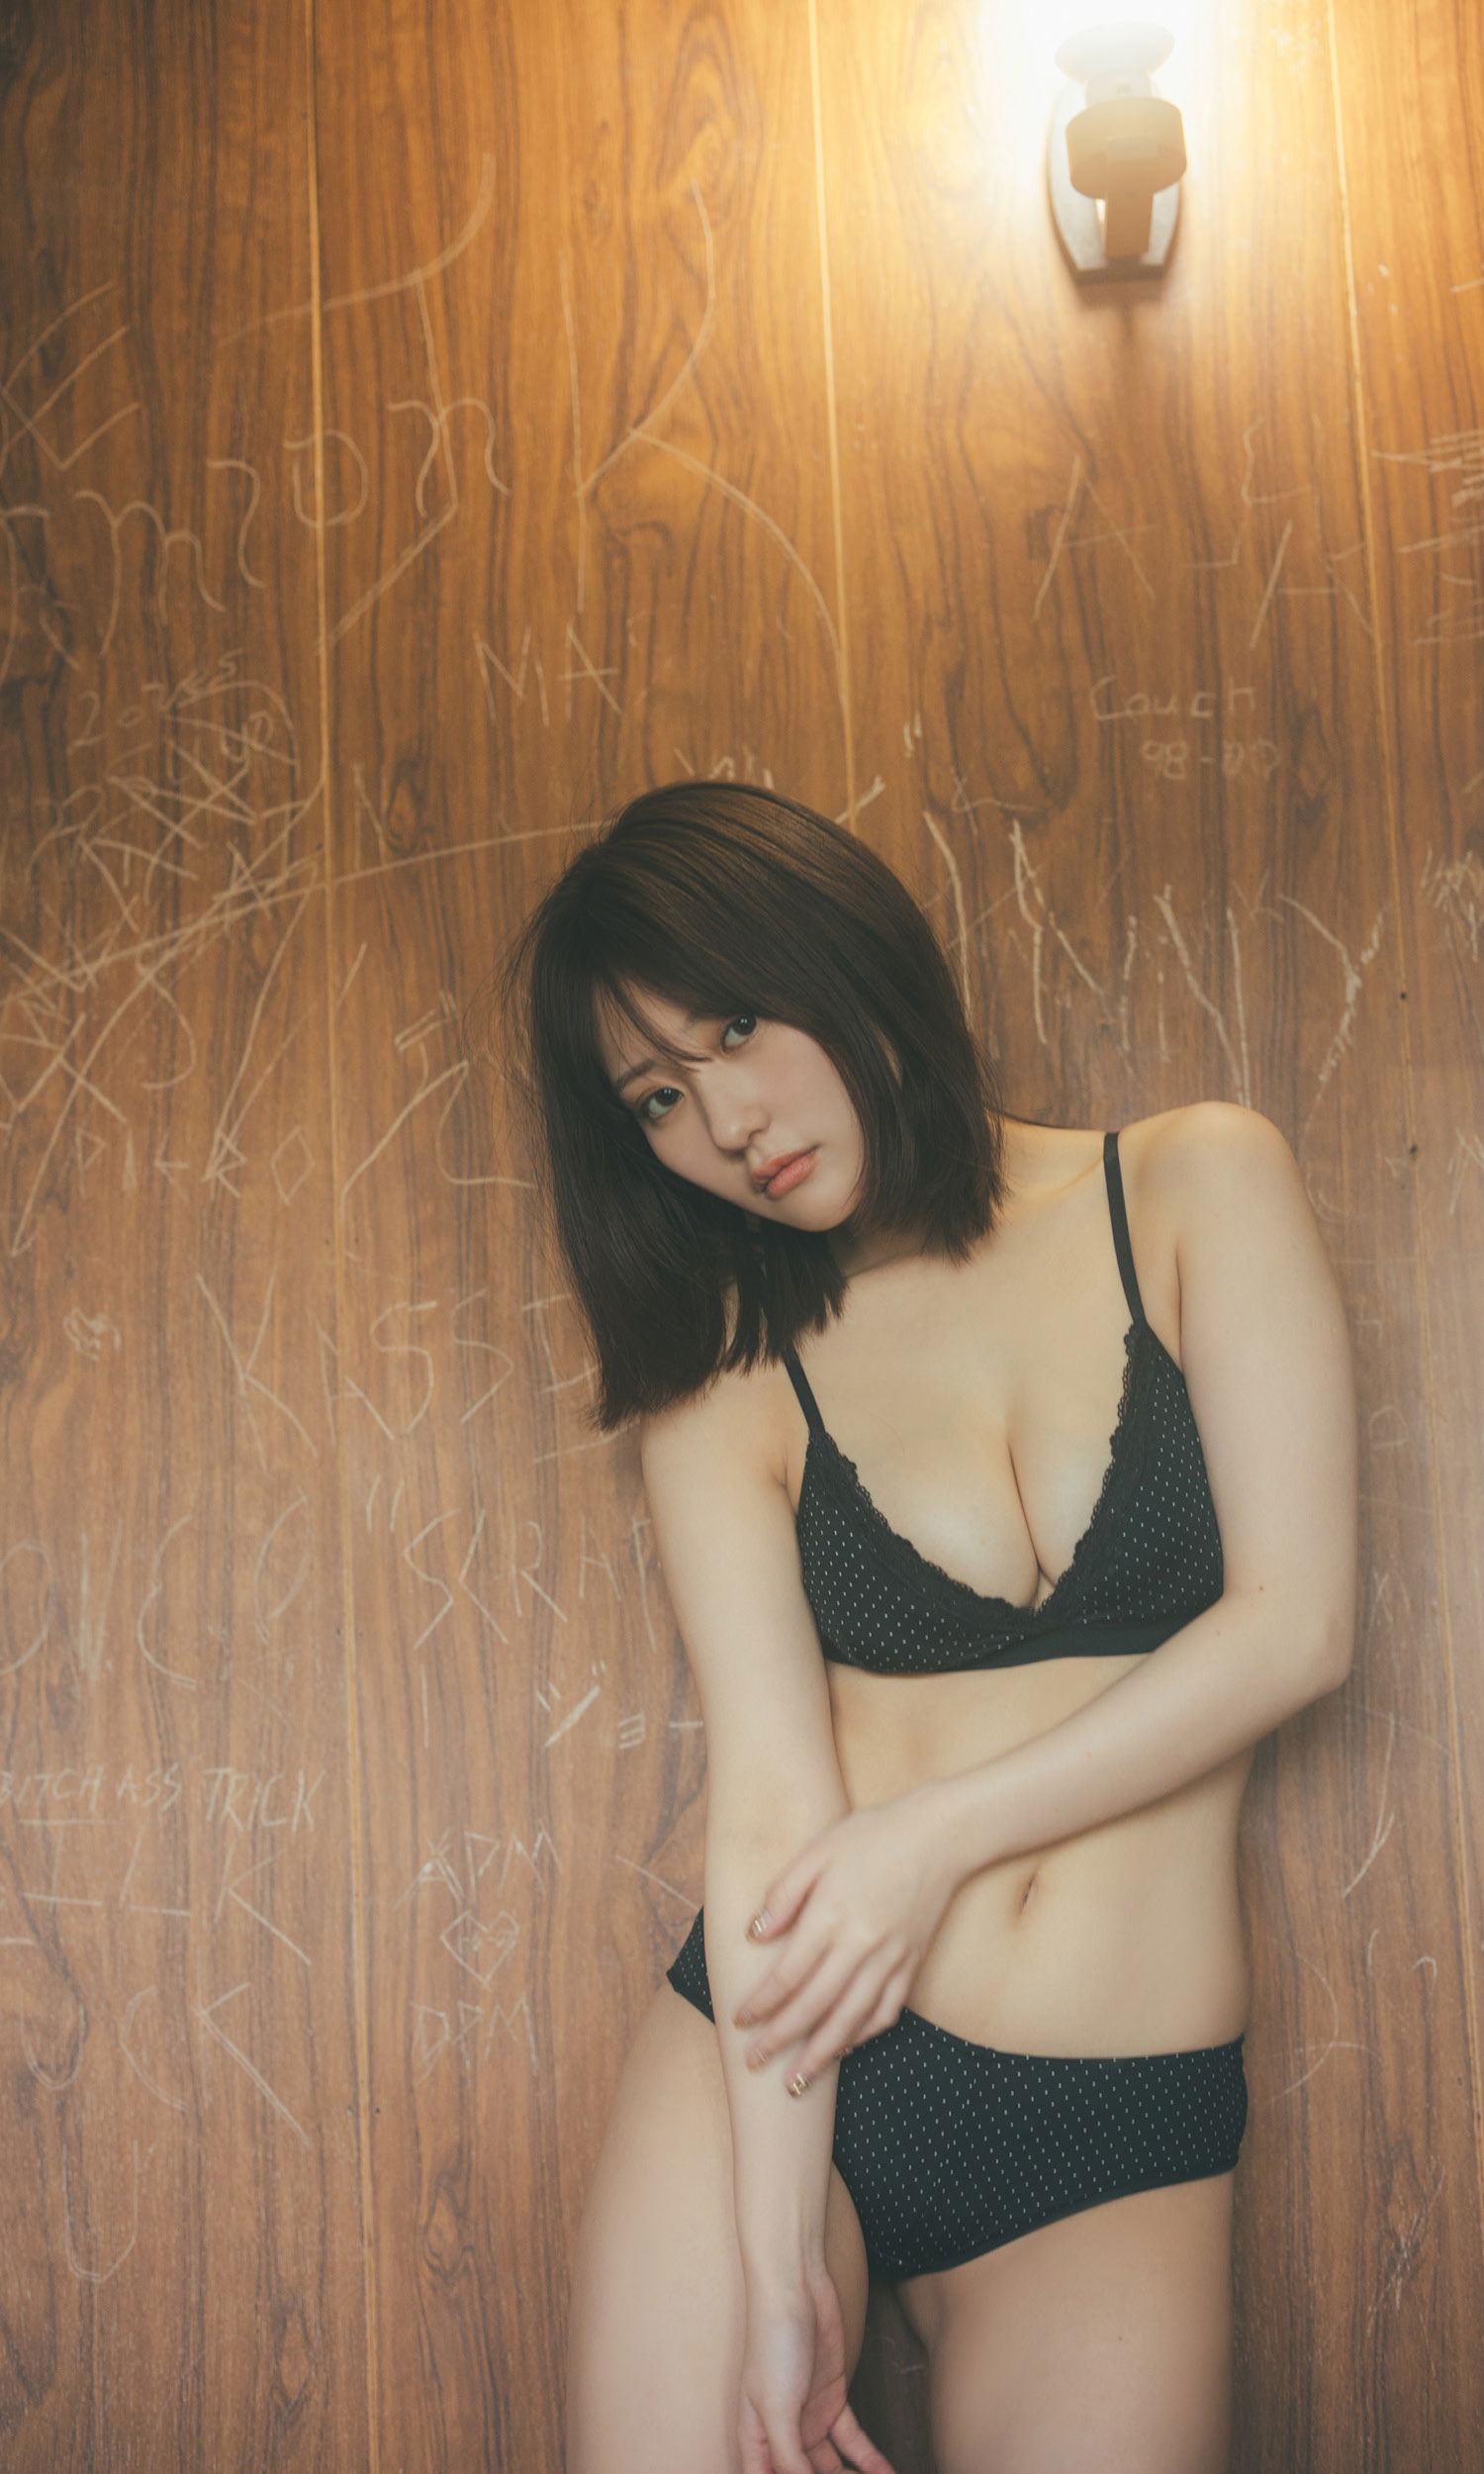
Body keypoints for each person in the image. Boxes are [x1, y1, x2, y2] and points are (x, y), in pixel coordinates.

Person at [495, 783, 1357, 2474]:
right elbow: (769, 1805)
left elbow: (1298, 1626)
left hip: (1105, 2120)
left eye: (733, 1029)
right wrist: (772, 2270)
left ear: (839, 952)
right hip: (778, 2057)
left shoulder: (1193, 1182)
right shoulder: (727, 1381)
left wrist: (927, 1842)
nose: (725, 1119)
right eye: (657, 1097)